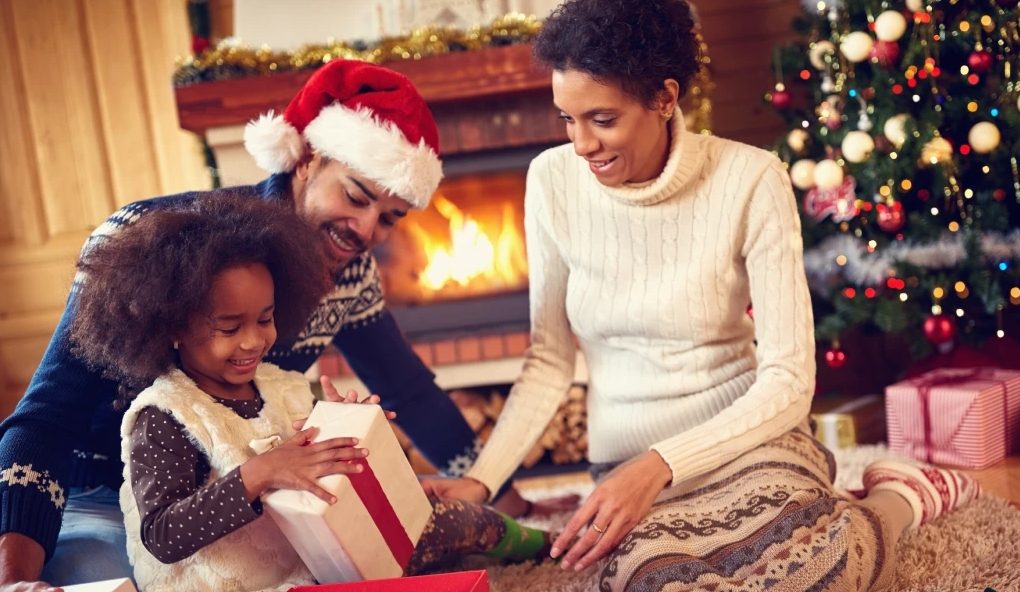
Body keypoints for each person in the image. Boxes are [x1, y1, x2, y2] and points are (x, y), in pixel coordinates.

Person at [424, 1, 982, 590]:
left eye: (603, 119)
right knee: (650, 582)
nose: (582, 143)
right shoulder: (551, 181)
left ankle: (901, 496)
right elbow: (549, 361)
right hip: (623, 469)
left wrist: (662, 463)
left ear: (665, 98)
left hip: (746, 443)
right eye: (567, 118)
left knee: (822, 568)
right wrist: (482, 481)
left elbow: (790, 380)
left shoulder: (751, 179)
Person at [0, 59, 568, 590]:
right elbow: (47, 417)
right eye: (356, 195)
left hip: (249, 503)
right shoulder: (144, 236)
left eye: (390, 218)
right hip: (106, 491)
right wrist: (15, 570)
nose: (368, 230)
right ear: (306, 159)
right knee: (107, 575)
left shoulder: (348, 274)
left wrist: (503, 494)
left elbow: (409, 391)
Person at [67, 193, 550, 592]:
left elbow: (322, 478)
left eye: (265, 318)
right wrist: (258, 474)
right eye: (229, 327)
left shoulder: (283, 386)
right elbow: (162, 535)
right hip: (228, 587)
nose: (254, 340)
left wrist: (347, 431)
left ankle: (546, 544)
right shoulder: (165, 414)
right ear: (171, 325)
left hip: (310, 569)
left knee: (440, 520)